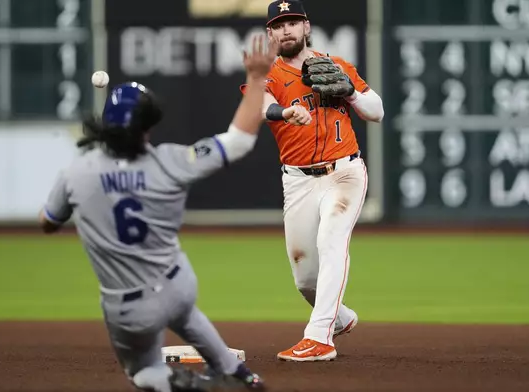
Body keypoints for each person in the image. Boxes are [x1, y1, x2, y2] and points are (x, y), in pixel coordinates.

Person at [38, 34, 278, 391]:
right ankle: (241, 375)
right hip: (178, 283)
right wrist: (258, 79)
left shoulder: (76, 173)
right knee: (186, 316)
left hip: (129, 308)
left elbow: (48, 222)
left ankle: (186, 386)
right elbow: (239, 141)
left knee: (143, 371)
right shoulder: (171, 161)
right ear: (148, 126)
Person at [240, 0, 384, 362]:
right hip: (299, 181)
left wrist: (349, 90)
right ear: (270, 33)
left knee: (331, 239)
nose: (287, 29)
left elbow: (377, 111)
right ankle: (340, 317)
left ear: (306, 27)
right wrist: (283, 111)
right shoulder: (269, 75)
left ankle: (319, 337)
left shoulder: (336, 66)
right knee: (305, 277)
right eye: (279, 24)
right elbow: (257, 105)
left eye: (293, 22)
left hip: (344, 172)